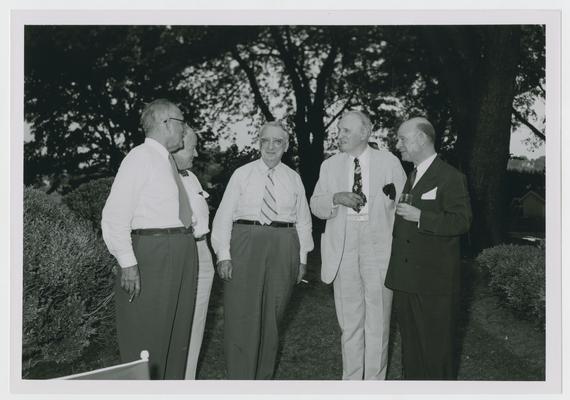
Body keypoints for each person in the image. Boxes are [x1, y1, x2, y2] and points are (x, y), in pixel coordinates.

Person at [101, 98, 198, 380]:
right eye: (182, 122)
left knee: (177, 337)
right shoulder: (140, 158)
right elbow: (114, 215)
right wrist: (128, 263)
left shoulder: (165, 162)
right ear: (165, 123)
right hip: (154, 253)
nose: (185, 129)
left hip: (180, 250)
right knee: (147, 337)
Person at [211, 121, 314, 379]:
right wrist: (223, 254)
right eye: (265, 141)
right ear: (259, 143)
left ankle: (262, 381)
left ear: (286, 146)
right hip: (246, 242)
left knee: (273, 316)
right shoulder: (242, 174)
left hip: (284, 244)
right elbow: (223, 217)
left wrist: (301, 259)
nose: (271, 147)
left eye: (277, 141)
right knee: (241, 315)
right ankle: (240, 380)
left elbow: (303, 220)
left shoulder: (293, 178)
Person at [310, 110, 406, 380]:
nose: (338, 135)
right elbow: (315, 205)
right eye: (338, 130)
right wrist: (336, 197)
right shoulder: (329, 166)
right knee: (350, 324)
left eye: (345, 131)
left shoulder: (389, 162)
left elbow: (403, 204)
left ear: (365, 133)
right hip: (344, 245)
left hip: (379, 247)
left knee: (378, 323)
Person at [384, 117, 472, 380]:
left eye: (403, 138)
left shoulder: (450, 177)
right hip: (407, 281)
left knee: (435, 355)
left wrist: (421, 216)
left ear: (422, 138)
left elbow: (462, 221)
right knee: (411, 354)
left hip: (434, 284)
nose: (398, 144)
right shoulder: (413, 176)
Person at [172, 125, 215, 380]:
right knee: (178, 321)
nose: (196, 154)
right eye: (192, 147)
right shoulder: (162, 178)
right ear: (175, 147)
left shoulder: (192, 176)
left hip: (202, 251)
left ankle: (187, 382)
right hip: (182, 252)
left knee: (197, 322)